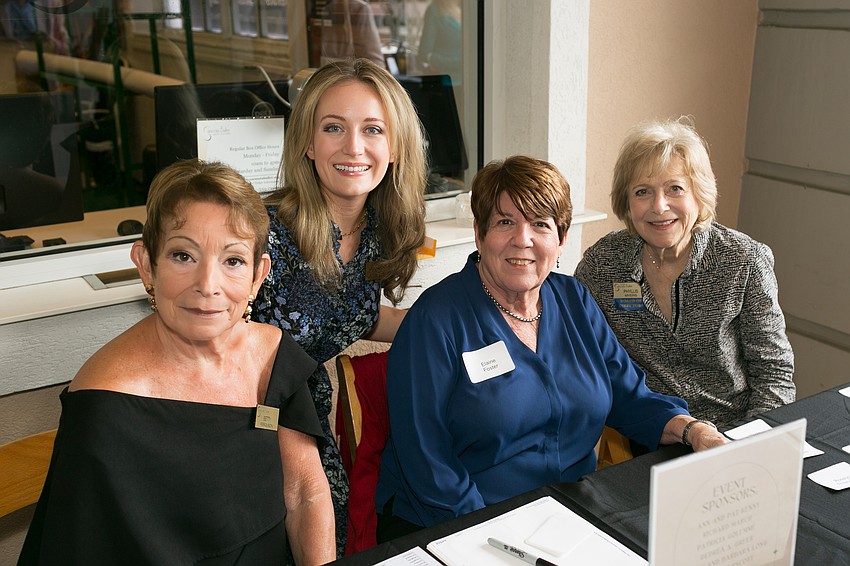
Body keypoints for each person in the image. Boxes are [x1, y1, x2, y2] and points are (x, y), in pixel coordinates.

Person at [374, 155, 727, 537]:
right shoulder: (435, 320)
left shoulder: (574, 299)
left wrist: (693, 430)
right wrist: (488, 535)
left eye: (540, 224)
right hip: (455, 519)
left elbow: (629, 395)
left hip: (565, 514)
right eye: (505, 222)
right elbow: (426, 460)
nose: (522, 239)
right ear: (479, 233)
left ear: (560, 241)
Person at [18, 160, 335, 565]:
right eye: (183, 255)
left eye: (233, 261)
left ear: (258, 275)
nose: (208, 285)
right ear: (147, 265)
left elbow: (304, 492)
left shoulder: (274, 357)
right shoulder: (106, 408)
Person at [252, 58, 427, 556]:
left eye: (373, 129)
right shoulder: (263, 232)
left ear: (394, 149)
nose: (354, 147)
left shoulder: (374, 231)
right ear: (308, 142)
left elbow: (356, 315)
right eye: (334, 128)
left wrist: (454, 323)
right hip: (246, 430)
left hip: (306, 421)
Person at [574, 117, 795, 428]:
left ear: (698, 194)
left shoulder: (742, 260)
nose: (660, 206)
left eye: (675, 188)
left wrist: (751, 442)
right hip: (649, 434)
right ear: (626, 201)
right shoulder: (603, 264)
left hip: (735, 429)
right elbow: (580, 357)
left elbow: (773, 373)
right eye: (642, 192)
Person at [418, 0, 462, 87]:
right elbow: (424, 53)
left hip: (469, 82)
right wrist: (458, 63)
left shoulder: (468, 9)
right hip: (446, 84)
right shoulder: (435, 10)